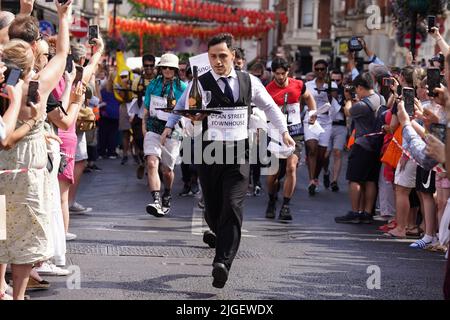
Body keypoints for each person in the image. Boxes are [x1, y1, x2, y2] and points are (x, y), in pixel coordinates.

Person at [162, 33, 295, 288]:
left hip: (238, 156)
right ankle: (217, 232)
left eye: (223, 56)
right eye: (213, 57)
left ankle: (222, 262)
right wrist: (171, 125)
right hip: (208, 154)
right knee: (213, 208)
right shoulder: (200, 82)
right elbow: (184, 105)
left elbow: (269, 107)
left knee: (233, 206)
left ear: (233, 55)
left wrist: (285, 132)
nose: (218, 61)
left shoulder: (249, 81)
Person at [264, 57, 317, 220]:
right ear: (273, 73)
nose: (280, 77)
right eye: (277, 73)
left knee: (291, 168)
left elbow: (308, 98)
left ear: (288, 71)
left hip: (295, 132)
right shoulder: (267, 89)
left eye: (283, 73)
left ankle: (286, 206)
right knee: (273, 174)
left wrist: (312, 113)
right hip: (274, 134)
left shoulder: (298, 85)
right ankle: (272, 200)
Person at [335, 72, 385, 224]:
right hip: (376, 144)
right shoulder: (380, 98)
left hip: (362, 144)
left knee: (354, 180)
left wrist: (349, 99)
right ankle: (367, 213)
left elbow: (348, 112)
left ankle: (355, 212)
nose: (355, 92)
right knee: (370, 180)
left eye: (356, 89)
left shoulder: (362, 105)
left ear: (361, 88)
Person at [142, 53, 187, 216]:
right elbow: (146, 107)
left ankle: (167, 193)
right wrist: (143, 126)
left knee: (167, 170)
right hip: (153, 127)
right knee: (152, 163)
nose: (167, 70)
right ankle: (156, 200)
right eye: (164, 67)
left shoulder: (182, 87)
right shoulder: (153, 85)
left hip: (173, 131)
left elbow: (186, 111)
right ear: (160, 68)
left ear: (175, 69)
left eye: (171, 68)